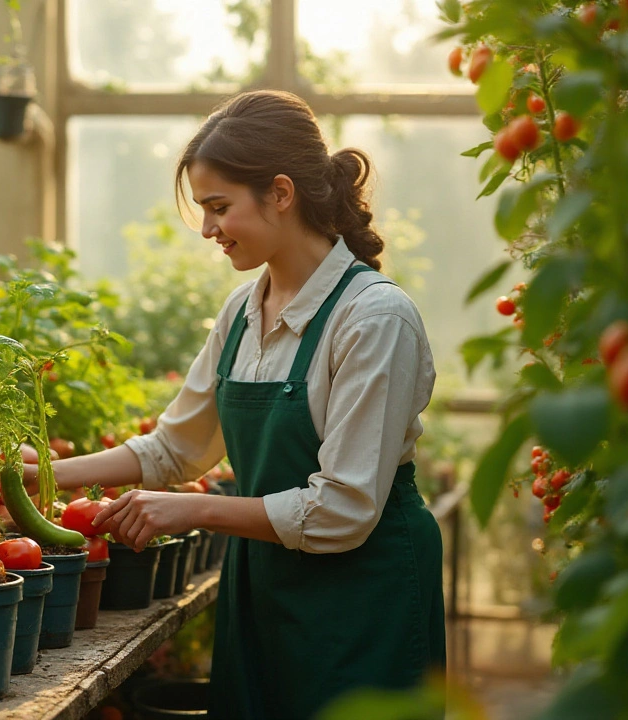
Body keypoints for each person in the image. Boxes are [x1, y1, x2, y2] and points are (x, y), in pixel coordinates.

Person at [25, 90, 445, 719]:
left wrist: (193, 509)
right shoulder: (243, 312)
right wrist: (45, 476)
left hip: (364, 599)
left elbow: (343, 510)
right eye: (203, 209)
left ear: (281, 193)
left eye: (219, 207)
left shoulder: (373, 319)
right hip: (267, 583)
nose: (206, 229)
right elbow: (175, 447)